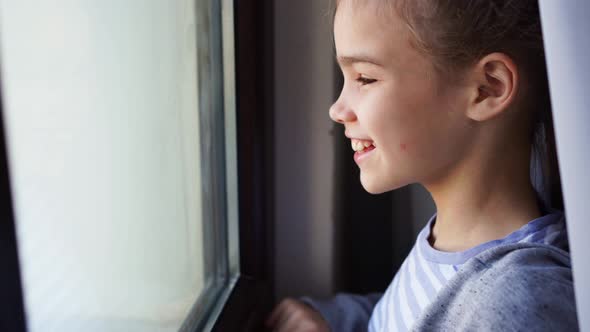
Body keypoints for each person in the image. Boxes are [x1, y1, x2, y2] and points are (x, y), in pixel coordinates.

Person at [266, 0, 579, 331]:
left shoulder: (517, 307)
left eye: (365, 78)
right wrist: (335, 321)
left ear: (487, 88)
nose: (337, 110)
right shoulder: (449, 246)